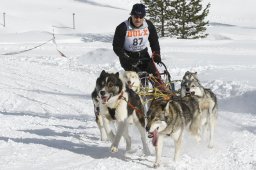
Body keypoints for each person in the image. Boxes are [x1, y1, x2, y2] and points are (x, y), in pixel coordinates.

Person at [113, 3, 162, 79]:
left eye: (141, 17)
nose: (138, 19)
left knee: (156, 76)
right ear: (131, 15)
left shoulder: (148, 25)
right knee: (138, 79)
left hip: (144, 55)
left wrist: (157, 54)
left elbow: (154, 42)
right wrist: (128, 59)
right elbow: (117, 47)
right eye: (135, 16)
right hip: (128, 57)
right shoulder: (123, 27)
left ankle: (164, 90)